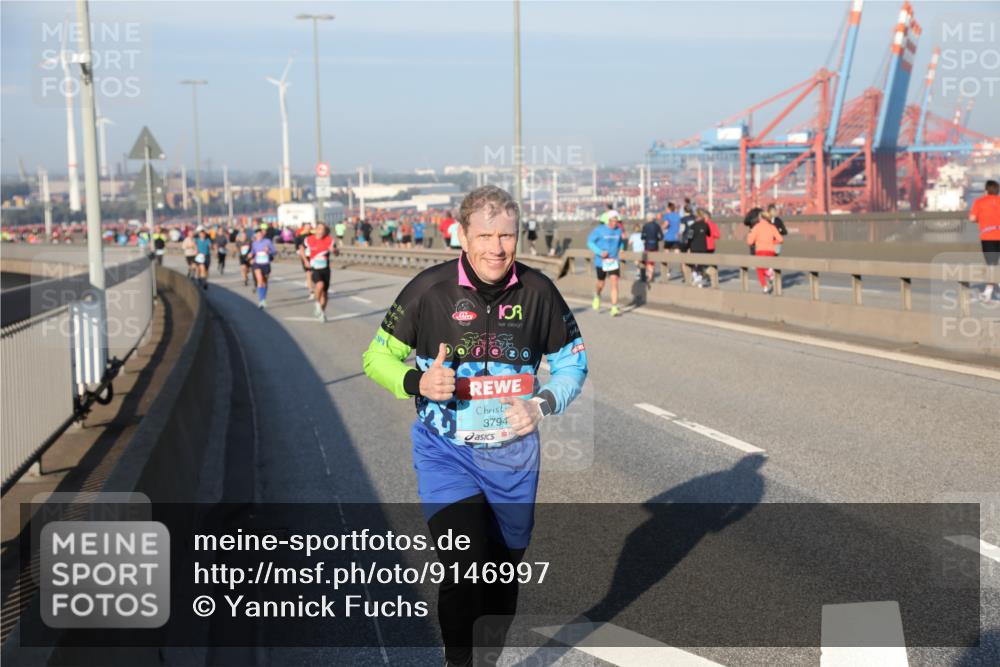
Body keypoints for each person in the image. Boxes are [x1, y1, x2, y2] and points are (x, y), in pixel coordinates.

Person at [362, 185, 587, 667]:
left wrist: (541, 404)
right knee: (464, 570)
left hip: (513, 458)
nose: (497, 247)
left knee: (501, 583)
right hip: (446, 452)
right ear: (462, 236)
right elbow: (376, 356)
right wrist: (417, 380)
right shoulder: (429, 289)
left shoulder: (540, 292)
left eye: (506, 235)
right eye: (485, 235)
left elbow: (573, 367)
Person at [587, 211, 625, 316]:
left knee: (614, 281)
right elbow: (590, 242)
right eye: (613, 221)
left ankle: (614, 307)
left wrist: (621, 248)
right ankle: (597, 295)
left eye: (617, 221)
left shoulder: (618, 231)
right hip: (601, 261)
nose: (615, 223)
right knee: (601, 283)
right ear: (608, 220)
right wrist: (600, 252)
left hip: (613, 261)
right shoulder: (599, 230)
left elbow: (621, 241)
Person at [969, 179, 1000, 301]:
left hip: (988, 237)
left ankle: (988, 291)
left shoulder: (979, 202)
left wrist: (981, 219)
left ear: (986, 190)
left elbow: (972, 218)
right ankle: (991, 289)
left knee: (991, 264)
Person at [746, 208, 783, 294]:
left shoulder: (756, 227)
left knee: (759, 269)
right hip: (771, 251)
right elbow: (780, 239)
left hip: (760, 251)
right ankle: (769, 274)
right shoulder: (772, 227)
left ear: (761, 218)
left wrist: (751, 236)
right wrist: (772, 242)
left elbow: (749, 242)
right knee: (765, 267)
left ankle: (765, 286)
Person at [305, 223, 336, 322]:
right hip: (315, 268)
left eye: (323, 229)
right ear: (316, 230)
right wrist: (305, 261)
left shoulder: (329, 240)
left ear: (325, 231)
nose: (320, 231)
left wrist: (334, 250)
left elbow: (337, 252)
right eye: (319, 228)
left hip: (325, 269)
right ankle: (317, 304)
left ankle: (321, 312)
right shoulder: (309, 240)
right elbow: (302, 249)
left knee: (325, 294)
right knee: (319, 285)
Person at [682, 209, 712, 287]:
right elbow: (709, 233)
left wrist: (687, 246)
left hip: (694, 247)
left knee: (693, 263)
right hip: (703, 247)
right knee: (701, 264)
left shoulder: (693, 226)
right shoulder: (706, 225)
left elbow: (689, 237)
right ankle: (698, 278)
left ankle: (697, 278)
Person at [250, 227, 277, 308]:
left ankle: (264, 299)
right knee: (260, 280)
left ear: (262, 234)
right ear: (255, 235)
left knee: (264, 282)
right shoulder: (254, 243)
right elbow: (253, 252)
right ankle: (261, 300)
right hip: (257, 263)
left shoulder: (267, 242)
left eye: (260, 234)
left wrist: (268, 251)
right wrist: (251, 256)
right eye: (257, 235)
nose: (259, 236)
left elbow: (274, 252)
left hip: (266, 263)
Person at [641, 214, 664, 283]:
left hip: (647, 245)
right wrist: (657, 239)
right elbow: (661, 236)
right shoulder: (657, 226)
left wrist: (646, 238)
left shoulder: (645, 226)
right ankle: (651, 275)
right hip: (655, 245)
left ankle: (650, 276)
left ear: (648, 218)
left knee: (648, 261)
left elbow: (642, 236)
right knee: (653, 261)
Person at [295, 222, 315, 300]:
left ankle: (313, 286)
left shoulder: (314, 236)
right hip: (305, 257)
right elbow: (297, 248)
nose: (308, 229)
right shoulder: (300, 237)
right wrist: (303, 257)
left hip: (314, 257)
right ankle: (311, 291)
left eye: (309, 227)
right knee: (308, 273)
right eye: (306, 227)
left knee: (314, 274)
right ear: (304, 228)